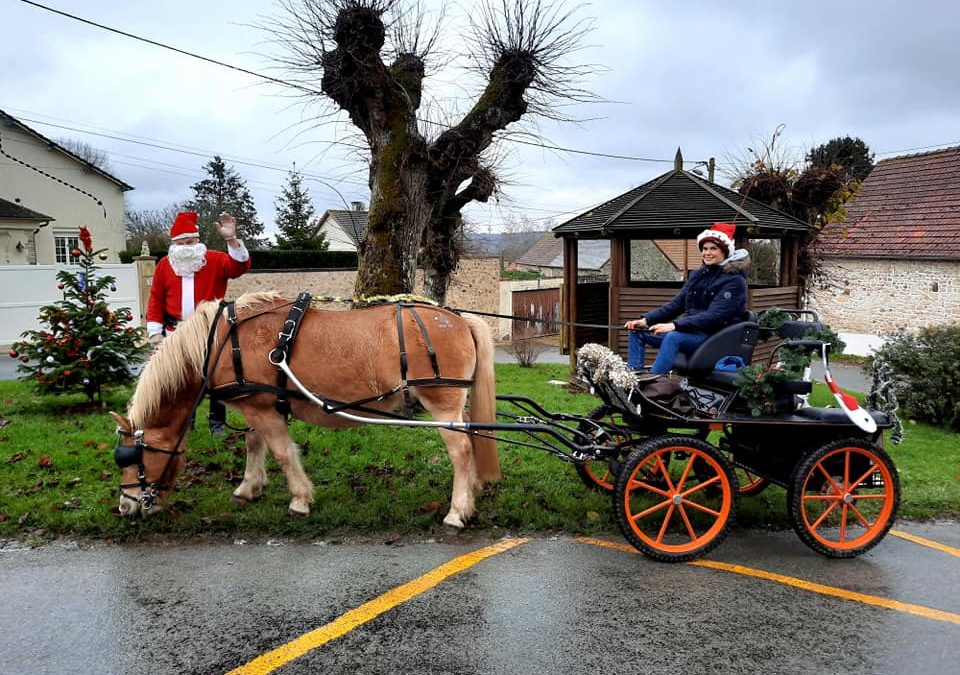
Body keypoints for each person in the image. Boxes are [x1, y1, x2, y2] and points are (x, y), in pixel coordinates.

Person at [146, 210, 252, 434]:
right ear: (174, 244)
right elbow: (156, 299)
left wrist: (231, 239)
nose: (187, 247)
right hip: (175, 332)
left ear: (198, 241)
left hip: (209, 330)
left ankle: (217, 424)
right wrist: (155, 334)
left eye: (191, 241)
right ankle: (185, 422)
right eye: (182, 243)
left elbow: (239, 267)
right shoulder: (165, 266)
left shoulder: (213, 259)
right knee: (180, 380)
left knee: (215, 376)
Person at [624, 222, 750, 374]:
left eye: (713, 249)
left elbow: (714, 316)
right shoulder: (697, 276)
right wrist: (646, 320)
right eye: (704, 249)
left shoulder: (734, 281)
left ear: (725, 252)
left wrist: (674, 326)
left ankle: (654, 383)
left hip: (713, 337)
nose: (707, 253)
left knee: (672, 337)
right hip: (690, 332)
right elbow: (676, 304)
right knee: (638, 332)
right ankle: (632, 377)